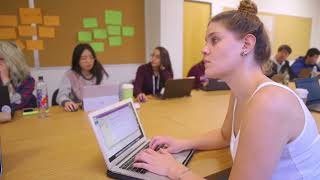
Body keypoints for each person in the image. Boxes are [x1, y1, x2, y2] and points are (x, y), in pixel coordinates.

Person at [133, 0, 320, 179]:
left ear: (246, 45)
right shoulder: (240, 93)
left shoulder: (269, 104)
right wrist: (183, 143)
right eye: (206, 41)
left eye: (214, 40)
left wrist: (173, 169)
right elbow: (224, 135)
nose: (204, 49)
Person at [56, 43, 109, 112]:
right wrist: (66, 102)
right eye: (84, 58)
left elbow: (105, 93)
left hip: (95, 110)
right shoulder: (70, 75)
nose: (88, 61)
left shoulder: (99, 72)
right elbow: (61, 96)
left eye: (91, 57)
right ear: (77, 60)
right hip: (77, 113)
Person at [0, 41, 36, 112]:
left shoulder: (28, 81)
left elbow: (14, 105)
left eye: (1, 59)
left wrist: (6, 80)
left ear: (12, 61)